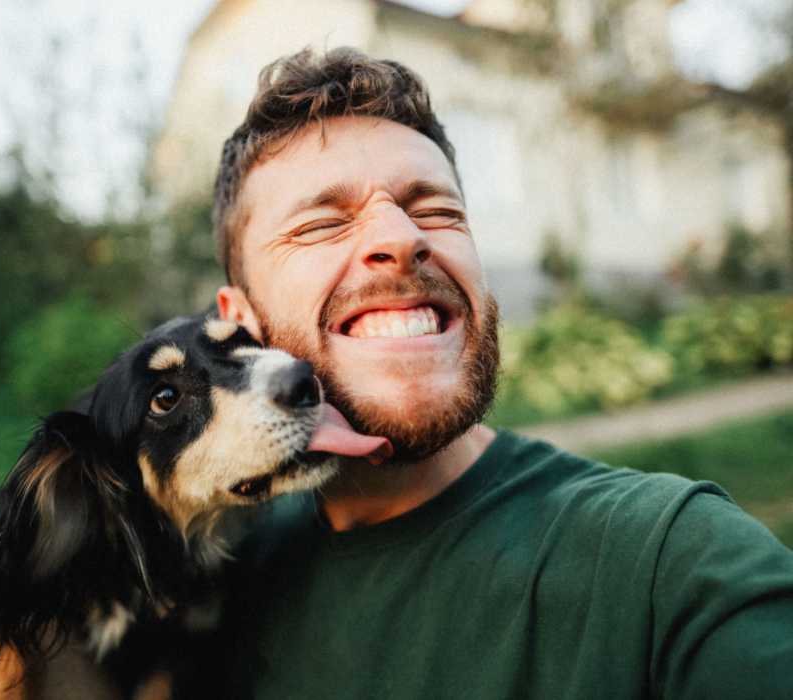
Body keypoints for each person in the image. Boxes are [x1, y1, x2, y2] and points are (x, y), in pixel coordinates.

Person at [209, 47, 793, 699]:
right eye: (322, 223)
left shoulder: (671, 565)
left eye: (437, 210)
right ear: (240, 325)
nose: (402, 237)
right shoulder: (211, 583)